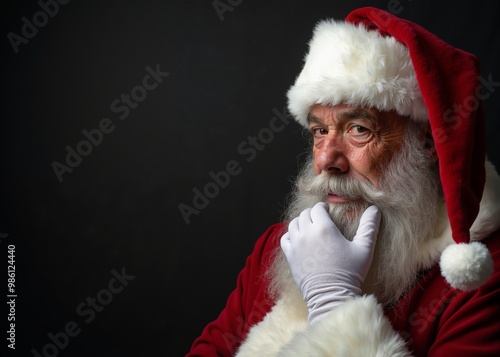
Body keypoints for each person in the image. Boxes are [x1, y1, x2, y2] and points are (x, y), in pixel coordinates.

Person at [187, 6, 500, 356]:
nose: (325, 160)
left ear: (427, 142)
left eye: (359, 129)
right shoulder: (278, 247)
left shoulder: (484, 277)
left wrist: (333, 301)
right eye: (319, 131)